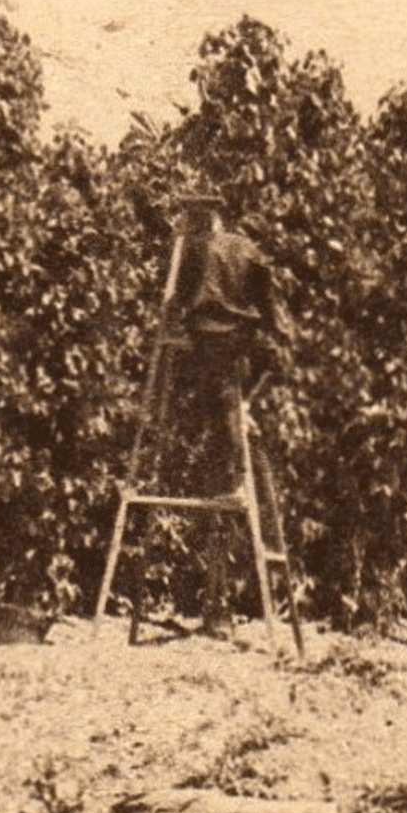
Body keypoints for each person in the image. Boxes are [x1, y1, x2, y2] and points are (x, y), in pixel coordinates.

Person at [162, 193, 290, 633]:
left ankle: (235, 462)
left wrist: (176, 315)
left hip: (206, 342)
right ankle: (239, 439)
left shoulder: (194, 248)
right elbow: (272, 307)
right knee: (232, 405)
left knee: (220, 408)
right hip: (241, 344)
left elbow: (175, 303)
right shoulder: (249, 249)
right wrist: (271, 333)